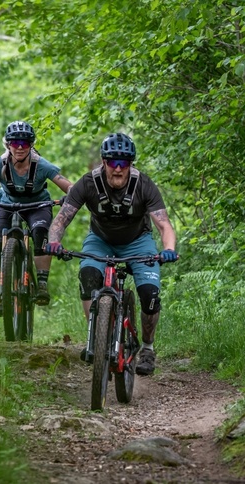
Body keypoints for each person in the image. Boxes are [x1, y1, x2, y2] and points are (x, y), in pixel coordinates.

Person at [44, 132, 178, 375]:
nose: (118, 169)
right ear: (103, 162)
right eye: (113, 162)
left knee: (149, 294)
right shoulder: (88, 183)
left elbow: (164, 225)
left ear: (130, 164)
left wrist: (168, 249)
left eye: (124, 163)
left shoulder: (144, 185)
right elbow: (61, 220)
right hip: (100, 241)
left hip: (138, 242)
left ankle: (147, 348)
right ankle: (95, 337)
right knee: (88, 276)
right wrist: (54, 242)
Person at [0, 120, 74, 316]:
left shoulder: (42, 165)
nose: (20, 148)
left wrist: (68, 198)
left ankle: (42, 284)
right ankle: (2, 293)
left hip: (37, 206)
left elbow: (71, 188)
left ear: (31, 145)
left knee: (40, 234)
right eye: (14, 143)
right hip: (6, 205)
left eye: (25, 143)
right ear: (7, 144)